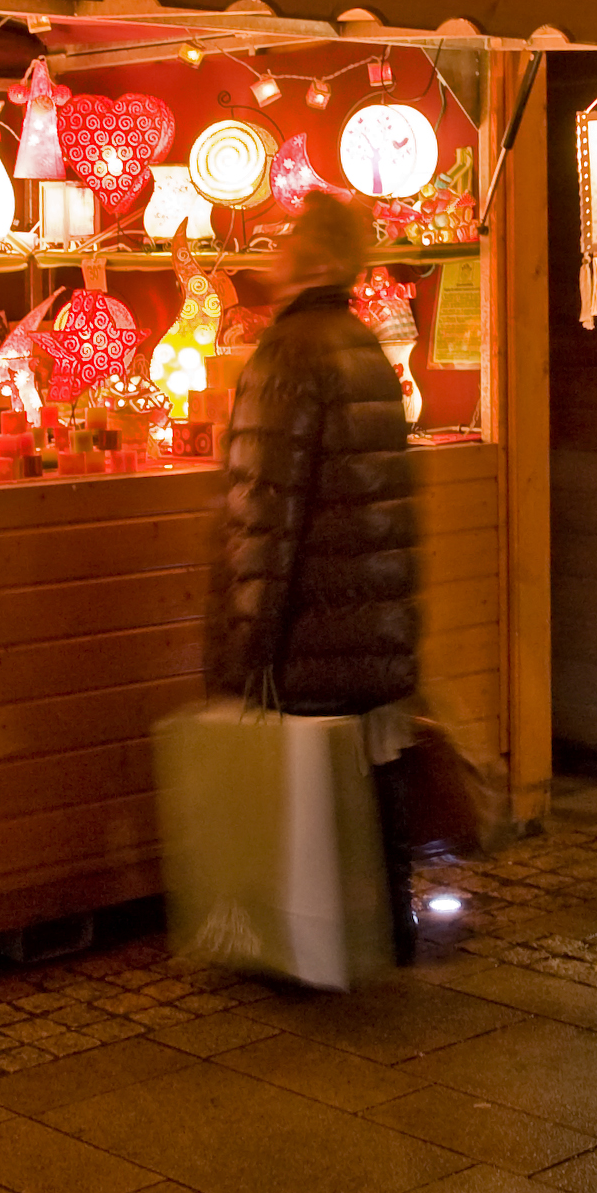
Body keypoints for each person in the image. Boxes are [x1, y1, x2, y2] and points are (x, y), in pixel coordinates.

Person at [209, 191, 425, 956]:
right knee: (376, 773)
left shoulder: (288, 352)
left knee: (309, 789)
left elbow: (265, 512)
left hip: (314, 617)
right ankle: (395, 929)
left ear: (316, 258)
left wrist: (249, 645)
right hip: (374, 615)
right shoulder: (363, 343)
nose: (274, 253)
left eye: (288, 241)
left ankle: (315, 941)